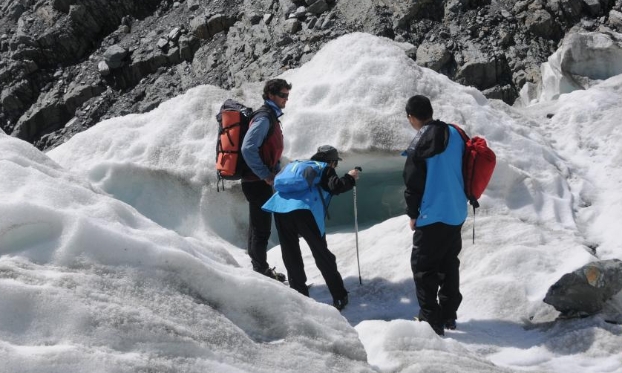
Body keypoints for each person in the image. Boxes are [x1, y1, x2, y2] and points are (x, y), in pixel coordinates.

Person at [262, 145, 360, 311]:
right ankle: (339, 296)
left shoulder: (297, 166)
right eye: (335, 163)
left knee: (290, 253)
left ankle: (299, 295)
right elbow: (335, 187)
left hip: (280, 209)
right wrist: (350, 178)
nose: (335, 166)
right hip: (305, 212)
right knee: (322, 254)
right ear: (331, 161)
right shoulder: (324, 169)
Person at [402, 95, 467, 336]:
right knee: (449, 263)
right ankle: (449, 314)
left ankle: (430, 319)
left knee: (423, 267)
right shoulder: (455, 133)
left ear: (411, 117)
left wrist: (413, 213)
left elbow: (412, 182)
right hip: (456, 210)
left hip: (432, 214)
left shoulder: (421, 140)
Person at [240, 78, 292, 281]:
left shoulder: (270, 116)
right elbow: (248, 148)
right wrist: (265, 174)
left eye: (287, 95)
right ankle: (261, 271)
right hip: (256, 181)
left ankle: (259, 267)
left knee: (257, 226)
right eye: (282, 95)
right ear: (270, 95)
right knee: (261, 229)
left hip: (258, 180)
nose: (286, 99)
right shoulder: (264, 118)